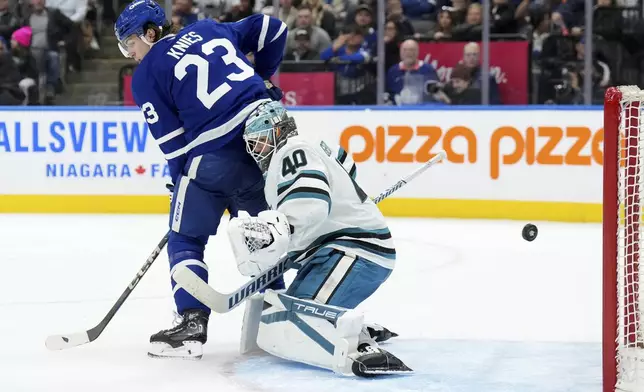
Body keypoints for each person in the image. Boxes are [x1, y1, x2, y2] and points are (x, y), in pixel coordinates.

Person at [114, 0, 287, 359]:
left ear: (149, 33)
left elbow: (174, 146)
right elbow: (274, 29)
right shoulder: (209, 28)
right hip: (262, 144)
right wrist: (266, 76)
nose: (129, 53)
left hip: (212, 157)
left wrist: (181, 185)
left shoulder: (146, 76)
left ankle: (192, 322)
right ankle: (277, 312)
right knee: (265, 233)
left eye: (129, 42)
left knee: (186, 239)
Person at [226, 101, 412, 376]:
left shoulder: (291, 150)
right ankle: (353, 326)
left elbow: (310, 203)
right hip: (339, 251)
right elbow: (347, 166)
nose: (256, 150)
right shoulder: (312, 145)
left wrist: (283, 229)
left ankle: (359, 349)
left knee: (294, 321)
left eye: (261, 140)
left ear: (278, 131)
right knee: (285, 310)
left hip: (354, 251)